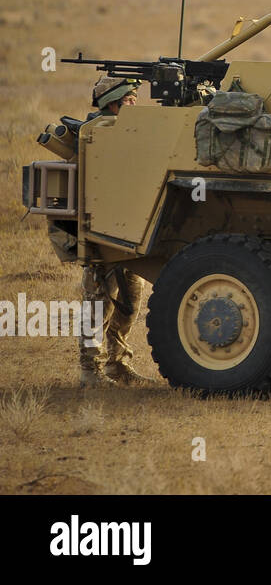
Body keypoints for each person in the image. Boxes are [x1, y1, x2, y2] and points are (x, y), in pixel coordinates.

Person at [78, 77, 148, 387]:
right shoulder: (98, 134)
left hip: (131, 231)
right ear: (112, 104)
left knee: (130, 301)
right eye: (128, 100)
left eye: (134, 99)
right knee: (98, 302)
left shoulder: (131, 132)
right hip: (103, 234)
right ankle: (90, 369)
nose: (134, 104)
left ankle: (117, 362)